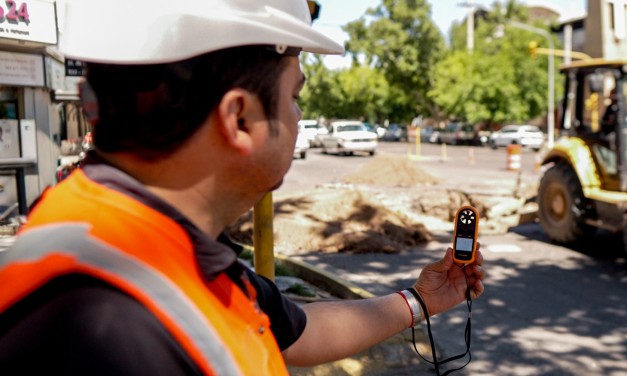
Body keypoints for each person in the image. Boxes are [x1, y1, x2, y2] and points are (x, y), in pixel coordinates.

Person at [0, 0, 485, 374]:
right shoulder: (113, 333)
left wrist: (420, 300)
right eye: (294, 95)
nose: (299, 116)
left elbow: (294, 331)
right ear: (239, 117)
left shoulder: (143, 237)